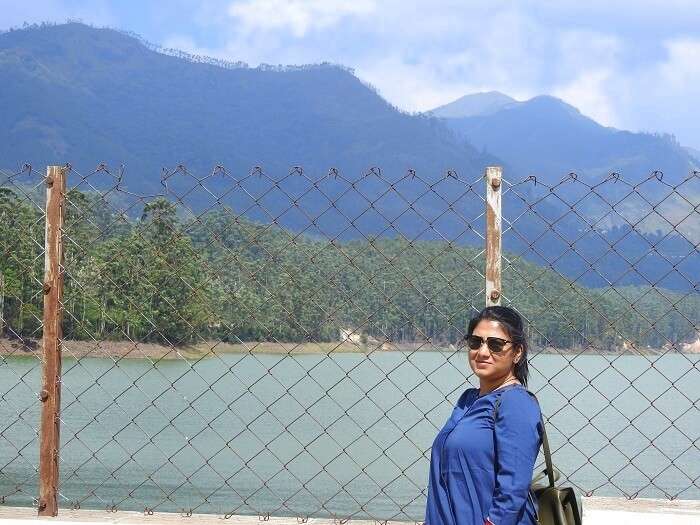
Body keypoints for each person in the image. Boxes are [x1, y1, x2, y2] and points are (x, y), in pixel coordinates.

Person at [424, 306, 542, 525]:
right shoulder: (468, 399)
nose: (483, 352)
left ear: (517, 352)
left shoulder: (515, 403)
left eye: (496, 344)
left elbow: (513, 487)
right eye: (475, 342)